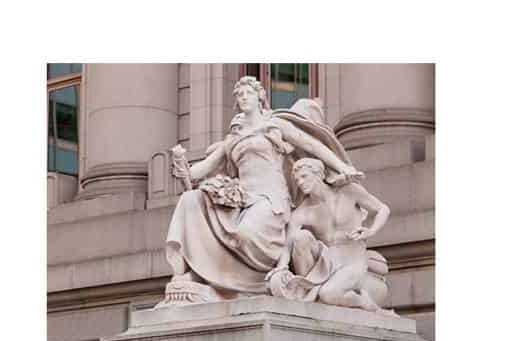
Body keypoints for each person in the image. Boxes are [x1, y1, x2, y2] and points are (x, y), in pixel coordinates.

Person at [163, 76, 361, 303]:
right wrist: (182, 166)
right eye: (239, 95)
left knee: (245, 233)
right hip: (241, 199)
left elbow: (311, 145)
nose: (244, 97)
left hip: (271, 200)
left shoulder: (274, 126)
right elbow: (201, 170)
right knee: (191, 198)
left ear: (260, 97)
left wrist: (341, 166)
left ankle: (244, 284)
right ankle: (197, 270)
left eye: (248, 93)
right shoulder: (233, 138)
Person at [267, 157, 392, 312]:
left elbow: (382, 209)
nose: (300, 182)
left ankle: (363, 302)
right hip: (326, 261)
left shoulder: (348, 191)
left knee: (328, 295)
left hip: (352, 259)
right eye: (297, 179)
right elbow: (289, 244)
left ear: (319, 174)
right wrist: (281, 267)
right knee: (300, 237)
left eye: (304, 176)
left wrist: (371, 231)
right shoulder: (303, 211)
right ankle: (308, 289)